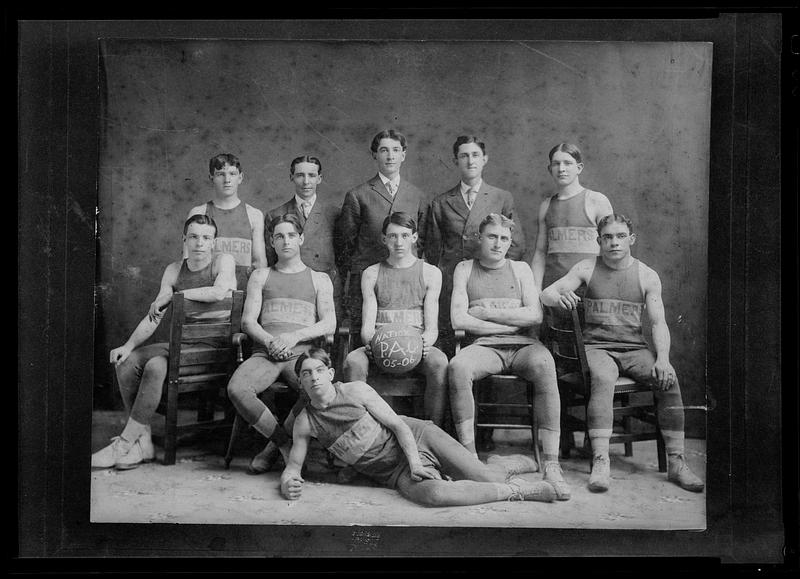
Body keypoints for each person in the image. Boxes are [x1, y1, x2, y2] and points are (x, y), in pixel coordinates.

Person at [540, 213, 705, 493]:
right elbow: (546, 294)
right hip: (597, 349)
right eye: (607, 237)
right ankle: (601, 460)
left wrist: (662, 359)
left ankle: (677, 462)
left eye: (619, 236)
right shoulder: (586, 267)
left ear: (631, 239)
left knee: (668, 378)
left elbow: (657, 323)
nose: (614, 243)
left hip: (634, 349)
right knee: (602, 378)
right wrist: (558, 296)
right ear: (599, 241)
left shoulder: (646, 275)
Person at [280, 348, 560, 507]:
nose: (314, 377)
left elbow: (399, 427)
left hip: (417, 437)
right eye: (306, 374)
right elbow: (293, 467)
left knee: (484, 478)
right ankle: (516, 490)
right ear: (301, 383)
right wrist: (287, 482)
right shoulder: (305, 421)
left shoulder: (356, 390)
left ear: (330, 374)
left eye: (319, 371)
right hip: (392, 471)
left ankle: (502, 470)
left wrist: (415, 462)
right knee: (434, 495)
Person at [91, 214, 237, 470]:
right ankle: (143, 440)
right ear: (184, 239)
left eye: (206, 238)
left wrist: (176, 296)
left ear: (214, 242)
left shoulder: (223, 261)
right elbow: (155, 315)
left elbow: (219, 291)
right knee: (127, 361)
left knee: (156, 366)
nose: (199, 243)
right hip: (181, 348)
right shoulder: (173, 269)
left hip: (213, 351)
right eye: (193, 237)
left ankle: (125, 443)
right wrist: (127, 345)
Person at [447, 213, 570, 500]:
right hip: (485, 347)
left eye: (504, 238)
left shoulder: (521, 269)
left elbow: (535, 314)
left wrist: (488, 313)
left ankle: (551, 464)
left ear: (510, 242)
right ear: (480, 238)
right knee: (457, 366)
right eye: (492, 236)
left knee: (544, 363)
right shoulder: (465, 268)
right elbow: (458, 319)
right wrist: (509, 321)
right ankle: (469, 459)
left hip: (523, 345)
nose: (497, 243)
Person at [226, 214, 336, 474]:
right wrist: (271, 340)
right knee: (237, 388)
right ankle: (284, 444)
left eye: (290, 235)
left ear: (301, 239)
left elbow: (329, 322)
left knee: (316, 391)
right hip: (266, 352)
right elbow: (248, 322)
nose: (285, 241)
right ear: (272, 243)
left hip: (300, 355)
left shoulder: (319, 278)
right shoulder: (261, 276)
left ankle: (269, 451)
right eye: (279, 236)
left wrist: (293, 337)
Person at [342, 211, 448, 426]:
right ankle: (360, 430)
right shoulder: (371, 273)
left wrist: (423, 344)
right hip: (380, 346)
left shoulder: (430, 273)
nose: (399, 242)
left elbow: (431, 328)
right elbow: (367, 326)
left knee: (439, 363)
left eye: (405, 236)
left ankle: (432, 431)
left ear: (415, 238)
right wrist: (372, 343)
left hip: (416, 348)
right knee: (353, 361)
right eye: (392, 236)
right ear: (384, 239)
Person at [425, 136, 525, 352]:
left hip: (491, 283)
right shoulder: (441, 202)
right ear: (455, 161)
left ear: (485, 159)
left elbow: (516, 244)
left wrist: (496, 273)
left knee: (495, 340)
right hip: (453, 282)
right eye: (464, 156)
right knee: (452, 344)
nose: (470, 161)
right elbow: (433, 250)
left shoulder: (501, 197)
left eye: (475, 155)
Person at [336, 129, 429, 336]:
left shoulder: (417, 196)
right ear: (374, 155)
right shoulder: (358, 195)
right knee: (365, 338)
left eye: (396, 150)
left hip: (407, 280)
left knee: (406, 335)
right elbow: (346, 244)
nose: (390, 156)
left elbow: (420, 241)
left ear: (403, 155)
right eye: (384, 150)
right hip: (367, 279)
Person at [531, 143, 613, 334]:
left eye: (567, 163)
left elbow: (612, 251)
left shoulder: (596, 200)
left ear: (579, 168)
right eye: (556, 164)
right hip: (553, 293)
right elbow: (540, 253)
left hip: (589, 293)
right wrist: (536, 291)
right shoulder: (546, 205)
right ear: (549, 168)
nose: (561, 169)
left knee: (589, 354)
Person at [264, 155, 343, 321]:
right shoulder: (275, 214)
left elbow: (344, 256)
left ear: (319, 178)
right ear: (291, 177)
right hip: (289, 291)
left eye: (312, 175)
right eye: (300, 175)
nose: (306, 181)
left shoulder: (334, 214)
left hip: (327, 289)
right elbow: (272, 259)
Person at [187, 153, 268, 291]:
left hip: (244, 294)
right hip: (205, 293)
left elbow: (259, 263)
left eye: (232, 173)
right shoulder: (199, 212)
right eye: (220, 174)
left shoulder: (254, 214)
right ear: (211, 177)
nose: (227, 180)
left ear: (240, 177)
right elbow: (187, 260)